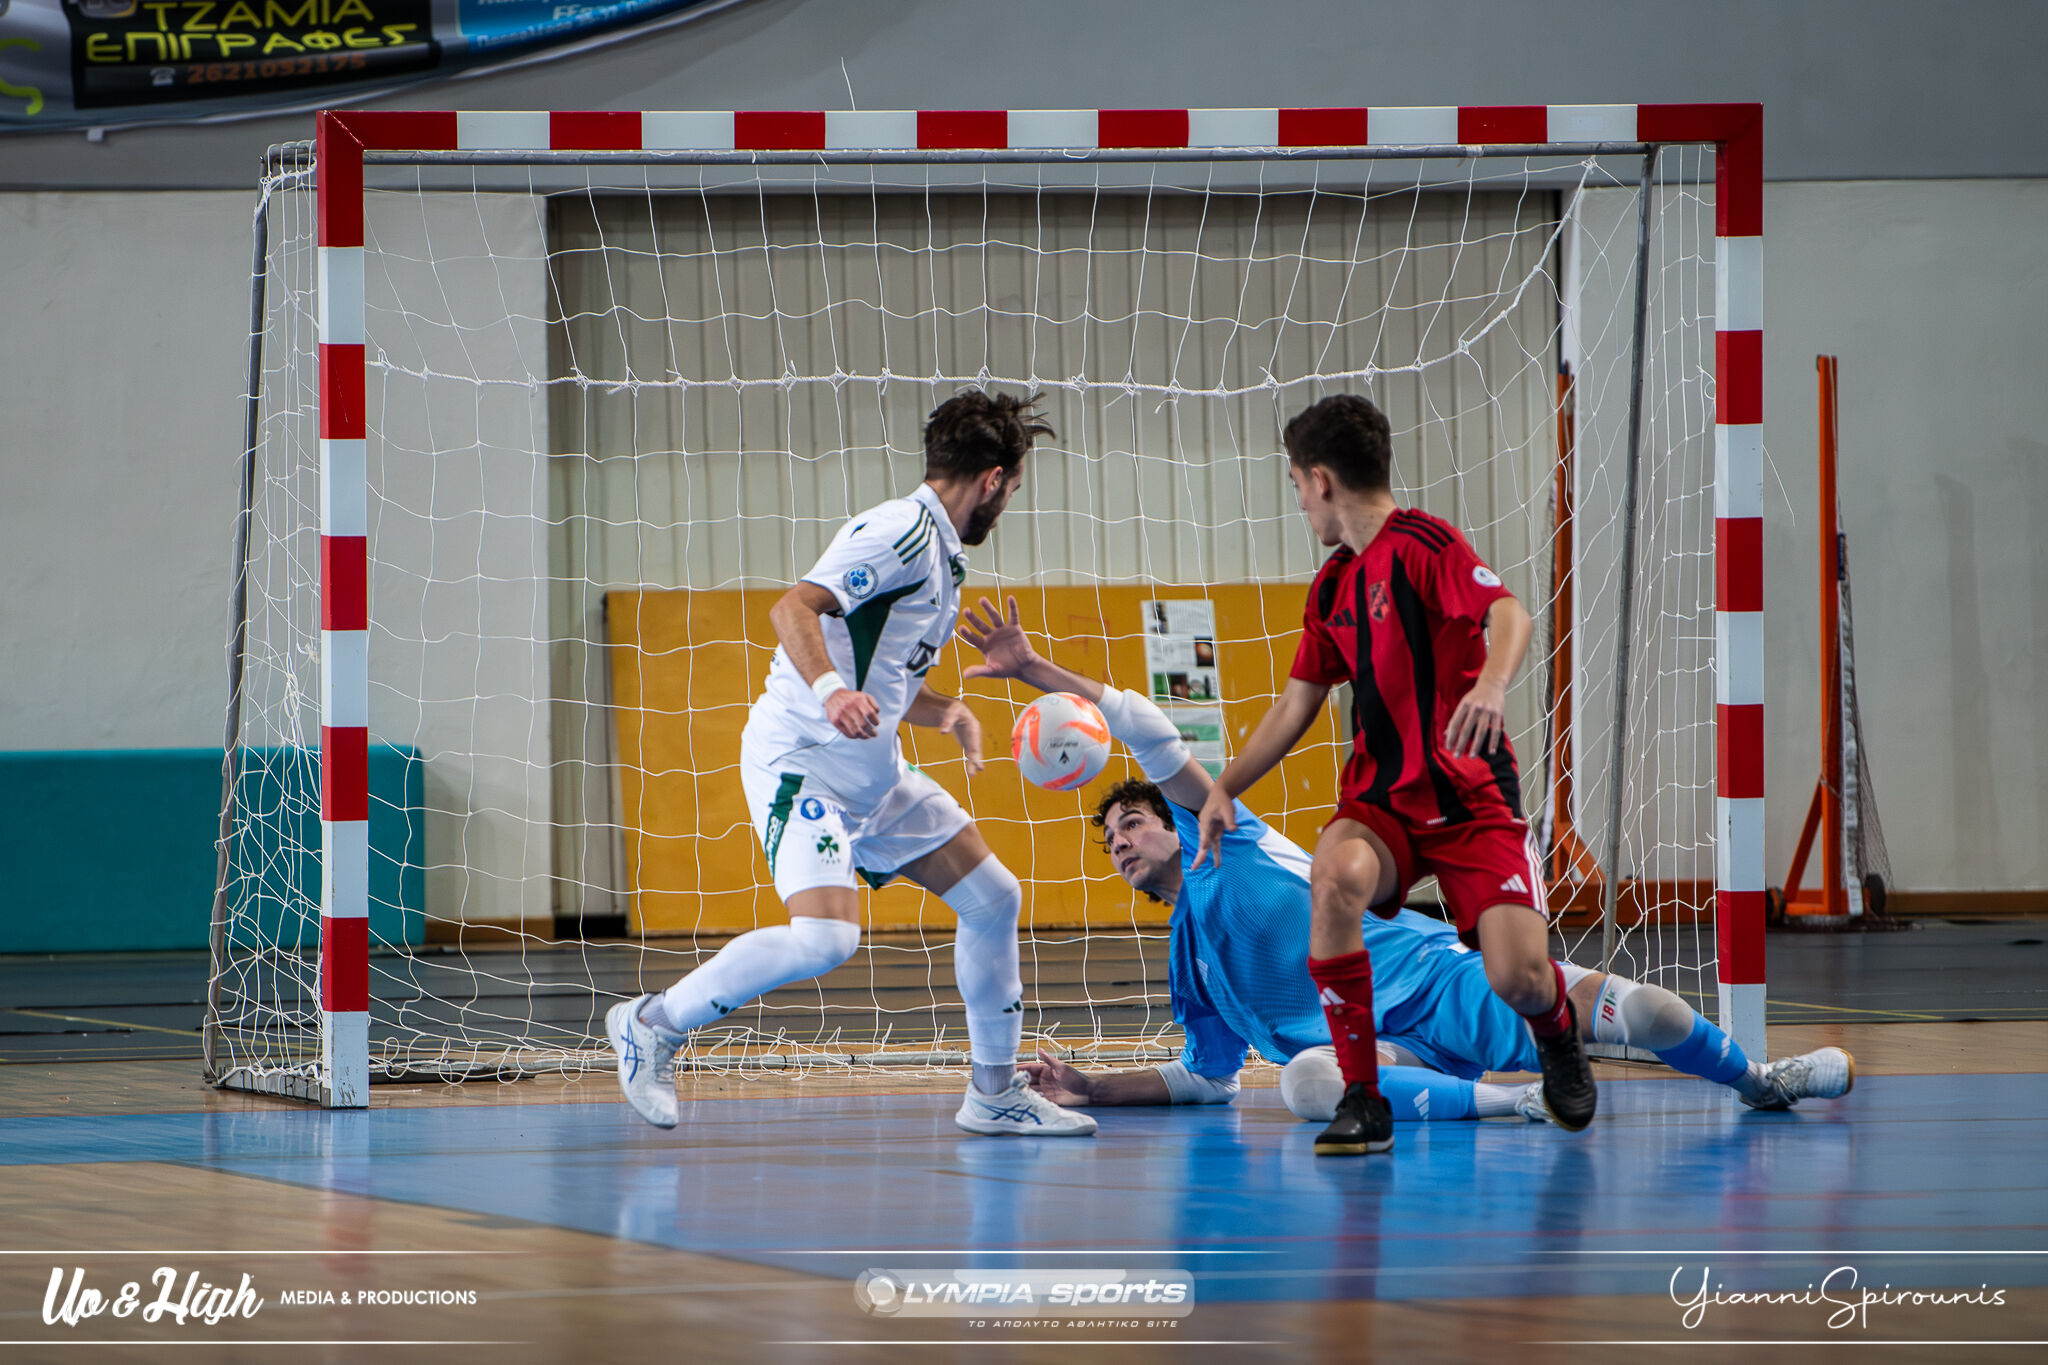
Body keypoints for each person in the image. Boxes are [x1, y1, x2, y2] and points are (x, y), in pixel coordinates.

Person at [952, 597, 1854, 1126]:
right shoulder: (1192, 961)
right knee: (1306, 1083)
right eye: (1111, 844)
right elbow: (1205, 1079)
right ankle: (1524, 1103)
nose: (1122, 844)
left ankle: (1756, 1079)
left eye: (1134, 825)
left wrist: (1037, 672)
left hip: (1431, 985)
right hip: (1367, 1055)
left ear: (1173, 823)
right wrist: (1090, 1088)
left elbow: (1149, 730)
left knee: (1649, 1010)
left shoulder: (1227, 835)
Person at [606, 390, 1095, 1138]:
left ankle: (994, 1093)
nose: (1009, 502)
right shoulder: (898, 532)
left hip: (874, 769)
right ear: (993, 479)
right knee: (827, 939)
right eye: (1015, 488)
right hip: (805, 763)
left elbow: (885, 677)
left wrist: (949, 712)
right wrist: (832, 694)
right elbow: (793, 609)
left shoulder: (939, 553)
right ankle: (651, 1024)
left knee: (994, 896)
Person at [1193, 393, 1594, 1156]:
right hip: (1381, 805)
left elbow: (1510, 613)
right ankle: (1361, 1095)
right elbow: (1294, 705)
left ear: (1318, 481)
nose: (1300, 503)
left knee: (1520, 979)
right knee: (1335, 874)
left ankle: (1560, 1034)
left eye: (1294, 486)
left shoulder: (1424, 543)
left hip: (1472, 801)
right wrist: (1225, 786)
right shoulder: (1333, 588)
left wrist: (1492, 684)